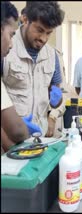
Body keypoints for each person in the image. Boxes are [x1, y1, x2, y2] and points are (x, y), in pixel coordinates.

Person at [2, 1, 65, 137]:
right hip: (9, 135)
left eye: (48, 33)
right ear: (25, 19)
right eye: (40, 30)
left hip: (39, 135)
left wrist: (57, 100)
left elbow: (56, 100)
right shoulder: (6, 48)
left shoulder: (52, 55)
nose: (43, 38)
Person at [1, 1, 29, 154]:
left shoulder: (52, 55)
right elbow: (17, 130)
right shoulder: (6, 58)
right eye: (11, 35)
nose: (11, 44)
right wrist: (25, 131)